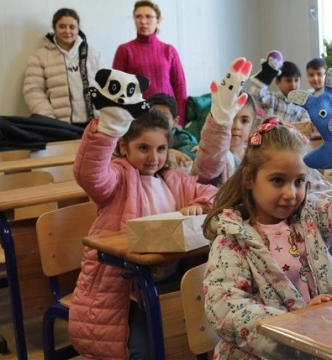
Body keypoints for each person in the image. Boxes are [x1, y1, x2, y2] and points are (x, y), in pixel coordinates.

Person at [202, 114, 332, 358]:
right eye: (278, 180)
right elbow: (225, 306)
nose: (291, 193)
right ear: (249, 179)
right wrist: (297, 324)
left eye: (299, 181)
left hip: (324, 344)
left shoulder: (310, 218)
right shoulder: (233, 238)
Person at [68, 69, 217, 359]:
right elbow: (90, 174)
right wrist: (108, 128)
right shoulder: (119, 179)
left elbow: (212, 194)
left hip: (168, 281)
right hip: (125, 289)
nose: (154, 157)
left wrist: (200, 204)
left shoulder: (172, 180)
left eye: (161, 148)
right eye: (143, 148)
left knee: (188, 336)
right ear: (123, 146)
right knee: (144, 349)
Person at [112, 0, 188, 125]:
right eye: (138, 17)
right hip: (137, 117)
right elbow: (116, 89)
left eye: (148, 17)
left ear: (158, 20)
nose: (143, 21)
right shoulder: (124, 50)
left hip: (167, 116)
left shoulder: (169, 50)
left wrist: (180, 122)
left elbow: (180, 88)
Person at [23, 8, 103, 125]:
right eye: (62, 26)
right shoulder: (40, 57)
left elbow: (106, 88)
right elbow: (33, 91)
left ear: (78, 29)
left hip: (94, 125)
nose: (67, 31)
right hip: (60, 127)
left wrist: (104, 117)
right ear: (54, 28)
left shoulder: (94, 55)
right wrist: (48, 120)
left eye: (72, 27)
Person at [192, 57, 259, 186]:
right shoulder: (208, 153)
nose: (236, 126)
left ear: (253, 123)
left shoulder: (256, 155)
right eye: (232, 119)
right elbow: (205, 170)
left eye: (244, 120)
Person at [245, 51, 309, 123]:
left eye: (296, 80)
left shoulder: (301, 107)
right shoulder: (272, 99)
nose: (293, 85)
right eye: (288, 80)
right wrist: (269, 71)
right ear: (277, 82)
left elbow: (305, 125)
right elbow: (255, 93)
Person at [146, 93, 198, 170]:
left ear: (175, 121)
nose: (157, 121)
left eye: (163, 117)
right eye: (153, 116)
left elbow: (193, 150)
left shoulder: (181, 137)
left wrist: (171, 153)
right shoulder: (144, 135)